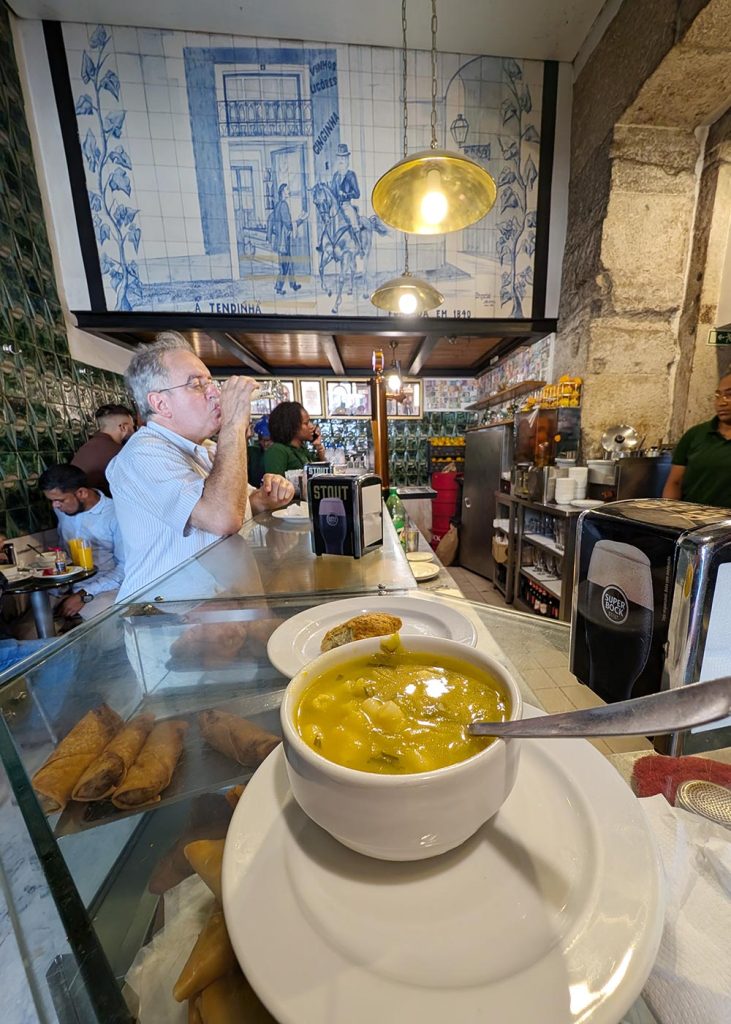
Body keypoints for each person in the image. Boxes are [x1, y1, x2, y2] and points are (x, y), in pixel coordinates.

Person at [106, 333, 294, 602]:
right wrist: (234, 424)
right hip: (169, 616)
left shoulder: (207, 448)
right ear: (160, 404)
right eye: (196, 385)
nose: (215, 393)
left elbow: (240, 506)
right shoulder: (142, 454)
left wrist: (265, 498)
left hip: (218, 606)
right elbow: (222, 519)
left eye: (210, 383)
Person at [38, 464, 125, 619]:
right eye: (52, 501)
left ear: (82, 493)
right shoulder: (62, 510)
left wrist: (84, 595)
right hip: (63, 588)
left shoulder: (116, 515)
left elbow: (125, 568)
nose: (55, 506)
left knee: (95, 626)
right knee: (27, 629)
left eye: (59, 500)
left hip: (103, 589)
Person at [662, 371, 731, 508]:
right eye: (718, 396)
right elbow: (675, 482)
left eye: (729, 395)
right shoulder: (695, 435)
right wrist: (669, 513)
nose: (721, 403)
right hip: (692, 518)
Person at [71, 403, 135, 497]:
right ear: (123, 427)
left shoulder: (86, 447)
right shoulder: (120, 453)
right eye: (132, 426)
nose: (134, 430)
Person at [263, 401, 327, 476]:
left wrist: (319, 449)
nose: (312, 426)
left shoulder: (302, 449)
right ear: (292, 426)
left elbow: (320, 475)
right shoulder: (277, 450)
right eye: (306, 423)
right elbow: (274, 481)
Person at [268, 183, 305, 294]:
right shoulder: (284, 205)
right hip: (283, 241)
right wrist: (301, 219)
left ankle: (293, 285)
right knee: (284, 265)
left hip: (281, 240)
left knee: (289, 262)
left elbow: (272, 220)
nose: (289, 191)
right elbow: (288, 225)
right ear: (282, 192)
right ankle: (278, 287)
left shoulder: (278, 204)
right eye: (287, 189)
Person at [331, 143, 363, 254]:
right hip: (336, 207)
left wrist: (346, 194)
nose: (341, 160)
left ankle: (359, 246)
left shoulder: (351, 175)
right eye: (339, 158)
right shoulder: (335, 176)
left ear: (347, 160)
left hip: (346, 206)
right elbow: (332, 192)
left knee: (353, 221)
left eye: (344, 158)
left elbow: (357, 194)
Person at [248, 416, 272, 489]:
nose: (265, 444)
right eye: (262, 440)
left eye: (268, 440)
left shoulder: (279, 452)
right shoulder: (253, 452)